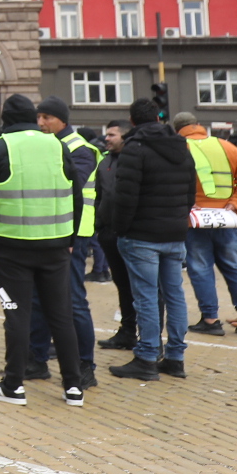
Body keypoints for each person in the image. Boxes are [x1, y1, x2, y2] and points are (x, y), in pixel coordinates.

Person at [0, 94, 83, 405]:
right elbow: (75, 193)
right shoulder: (57, 144)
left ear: (5, 119)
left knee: (16, 315)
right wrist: (71, 237)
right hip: (56, 245)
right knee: (61, 315)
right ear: (34, 117)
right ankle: (74, 387)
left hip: (11, 248)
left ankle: (13, 386)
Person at [99, 98, 195, 380]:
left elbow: (124, 196)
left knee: (146, 296)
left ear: (132, 120)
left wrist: (121, 228)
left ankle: (147, 355)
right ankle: (175, 357)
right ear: (159, 117)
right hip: (175, 233)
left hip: (142, 234)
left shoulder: (135, 148)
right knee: (174, 294)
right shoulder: (181, 147)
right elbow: (191, 191)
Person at [24, 97, 100, 384]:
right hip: (46, 231)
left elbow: (69, 185)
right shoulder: (44, 145)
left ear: (62, 120)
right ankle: (37, 360)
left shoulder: (80, 149)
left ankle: (84, 367)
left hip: (73, 234)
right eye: (39, 118)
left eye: (46, 118)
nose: (41, 123)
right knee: (38, 298)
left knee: (73, 301)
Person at [170, 112, 237, 338]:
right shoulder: (226, 146)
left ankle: (211, 319)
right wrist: (235, 204)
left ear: (176, 128)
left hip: (195, 219)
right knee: (235, 266)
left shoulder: (178, 147)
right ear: (198, 125)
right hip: (226, 219)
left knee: (200, 269)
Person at [93, 122, 139, 350]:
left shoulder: (135, 160)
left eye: (112, 134)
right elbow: (100, 196)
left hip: (133, 234)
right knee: (122, 284)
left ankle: (150, 340)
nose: (106, 138)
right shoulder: (105, 162)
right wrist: (99, 225)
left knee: (141, 287)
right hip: (109, 233)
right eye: (106, 134)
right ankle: (127, 332)